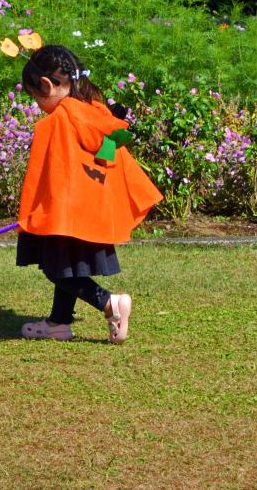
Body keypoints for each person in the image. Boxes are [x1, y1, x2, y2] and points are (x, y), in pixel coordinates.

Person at [15, 45, 162, 343]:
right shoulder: (96, 110)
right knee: (67, 265)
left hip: (65, 210)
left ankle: (109, 303)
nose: (37, 104)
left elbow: (50, 171)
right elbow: (102, 157)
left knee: (57, 269)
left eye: (35, 96)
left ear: (47, 85)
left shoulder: (60, 120)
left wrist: (38, 209)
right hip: (90, 207)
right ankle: (58, 323)